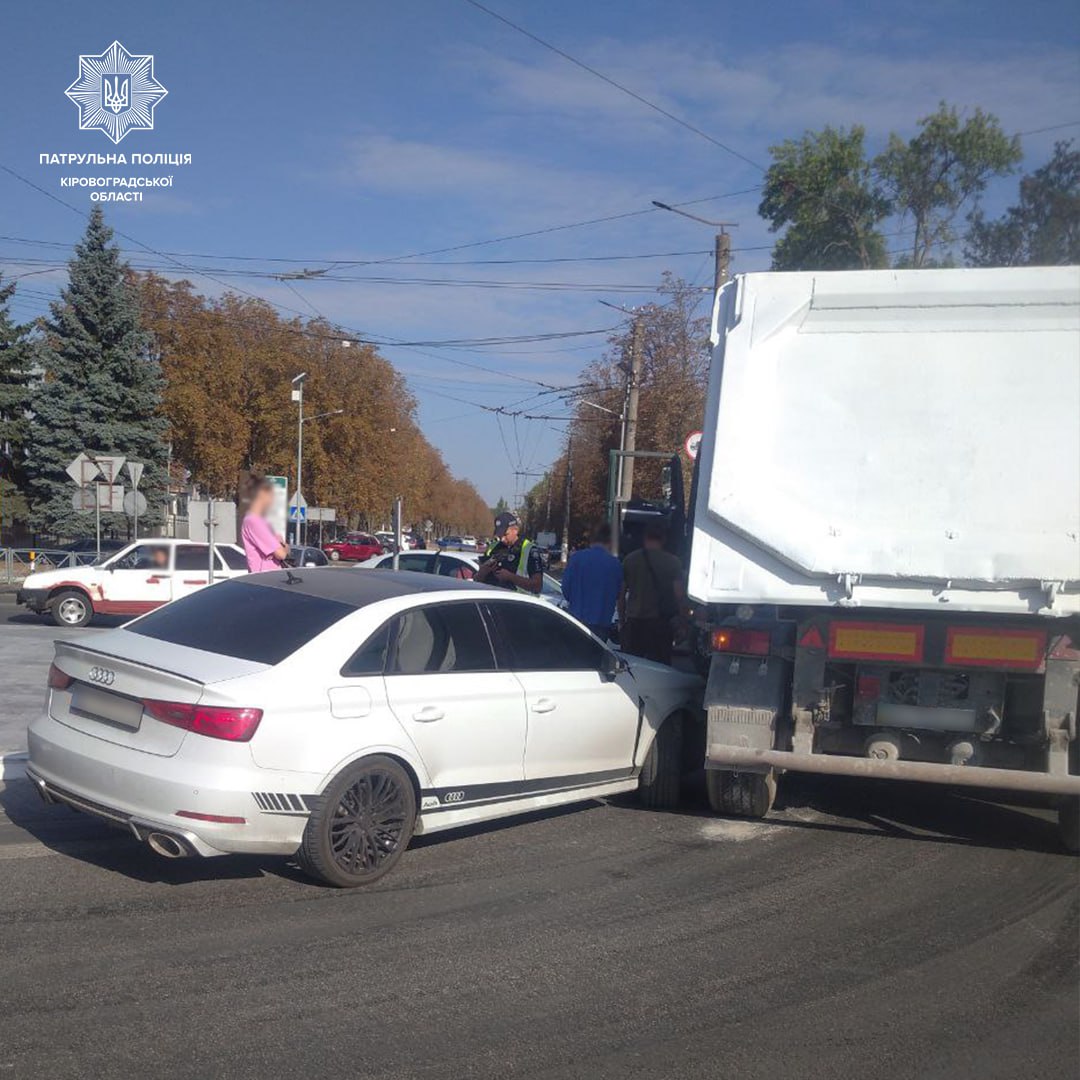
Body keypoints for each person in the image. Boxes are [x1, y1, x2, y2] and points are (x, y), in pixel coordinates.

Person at [618, 523, 686, 665]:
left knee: (633, 664)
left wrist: (622, 621)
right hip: (661, 622)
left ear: (644, 538)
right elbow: (679, 595)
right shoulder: (673, 562)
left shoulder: (630, 560)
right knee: (661, 665)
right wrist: (682, 622)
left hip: (635, 621)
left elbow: (621, 594)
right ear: (664, 539)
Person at [561, 522, 622, 640]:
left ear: (591, 539)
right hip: (602, 624)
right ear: (610, 540)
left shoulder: (576, 559)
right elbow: (618, 594)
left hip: (576, 621)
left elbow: (566, 590)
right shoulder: (615, 564)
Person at [475, 511, 543, 594]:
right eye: (499, 535)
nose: (502, 539)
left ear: (515, 530)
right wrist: (483, 571)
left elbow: (537, 586)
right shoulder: (492, 547)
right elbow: (477, 580)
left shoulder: (529, 549)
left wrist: (510, 577)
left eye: (505, 534)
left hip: (518, 603)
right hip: (492, 601)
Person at [240, 474, 289, 573]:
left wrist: (282, 547)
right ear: (262, 494)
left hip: (267, 577)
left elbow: (282, 549)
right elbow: (281, 554)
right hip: (265, 578)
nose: (272, 499)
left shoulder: (259, 521)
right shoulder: (254, 521)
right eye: (271, 495)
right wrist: (283, 547)